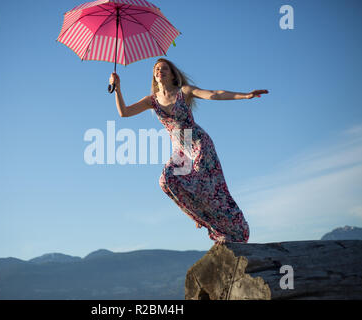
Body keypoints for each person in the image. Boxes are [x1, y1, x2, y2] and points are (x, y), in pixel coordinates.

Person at [109, 58, 269, 244]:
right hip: (181, 151)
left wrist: (246, 95)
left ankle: (237, 228)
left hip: (199, 144)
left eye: (164, 68)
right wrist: (117, 88)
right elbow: (124, 112)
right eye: (157, 69)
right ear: (154, 76)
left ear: (172, 73)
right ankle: (198, 215)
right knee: (166, 180)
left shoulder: (183, 92)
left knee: (212, 191)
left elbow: (214, 94)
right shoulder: (151, 101)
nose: (160, 71)